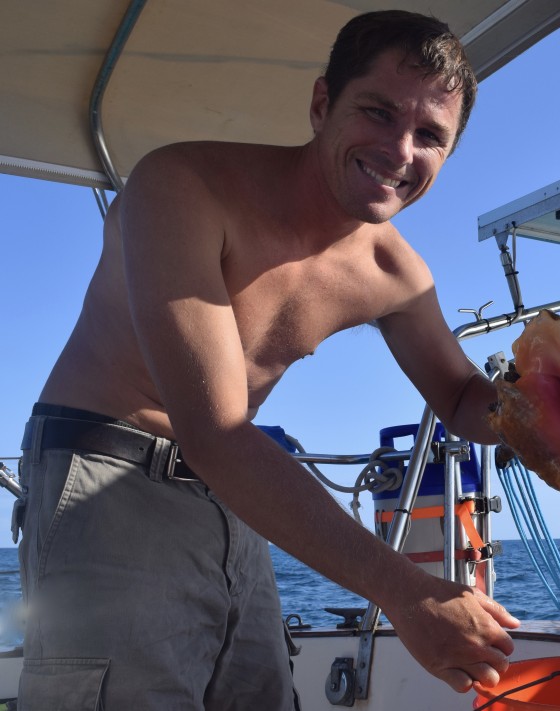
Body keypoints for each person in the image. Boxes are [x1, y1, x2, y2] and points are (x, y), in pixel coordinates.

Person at [14, 10, 519, 709]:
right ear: (321, 105)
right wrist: (408, 593)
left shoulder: (395, 272)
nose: (401, 149)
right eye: (377, 112)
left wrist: (540, 411)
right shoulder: (180, 186)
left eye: (431, 135)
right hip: (112, 472)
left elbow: (465, 401)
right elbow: (215, 429)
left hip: (235, 488)